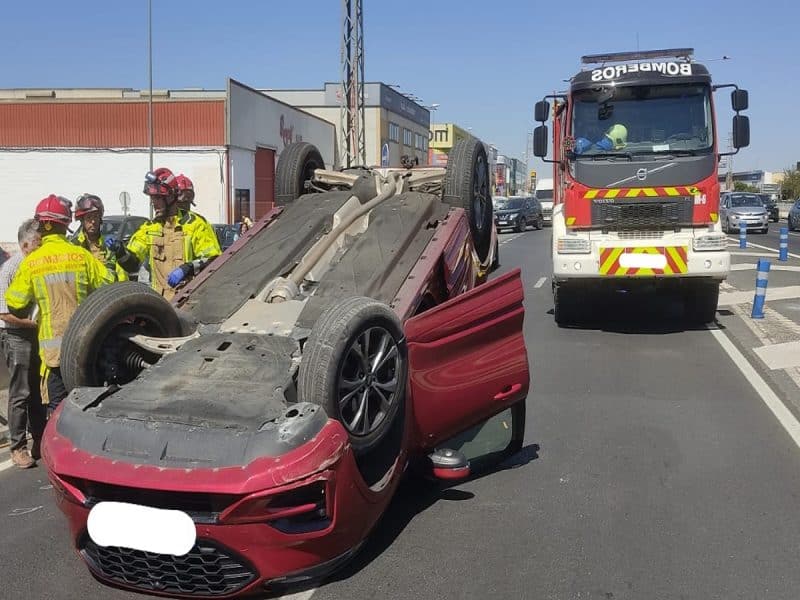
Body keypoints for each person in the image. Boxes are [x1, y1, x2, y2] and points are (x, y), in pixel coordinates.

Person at [5, 195, 117, 417]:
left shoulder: (31, 262)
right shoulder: (82, 256)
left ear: (45, 224)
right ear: (66, 224)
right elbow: (109, 283)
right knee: (89, 406)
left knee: (58, 410)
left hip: (54, 354)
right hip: (86, 346)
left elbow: (14, 303)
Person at [108, 168, 221, 301]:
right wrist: (120, 252)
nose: (153, 203)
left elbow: (214, 260)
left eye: (157, 198)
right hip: (159, 305)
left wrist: (188, 268)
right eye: (152, 198)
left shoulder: (195, 224)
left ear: (171, 196)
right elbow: (133, 264)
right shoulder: (149, 228)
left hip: (189, 301)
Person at [0, 220, 46, 468]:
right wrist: (33, 323)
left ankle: (39, 440)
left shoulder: (35, 266)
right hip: (16, 335)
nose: (41, 246)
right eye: (38, 242)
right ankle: (17, 447)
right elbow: (3, 312)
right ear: (26, 244)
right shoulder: (11, 269)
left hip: (34, 333)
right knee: (20, 393)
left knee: (37, 391)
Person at [72, 194, 128, 281]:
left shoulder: (110, 246)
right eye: (89, 217)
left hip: (108, 292)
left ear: (100, 219)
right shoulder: (74, 246)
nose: (93, 221)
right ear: (82, 220)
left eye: (96, 217)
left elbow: (121, 275)